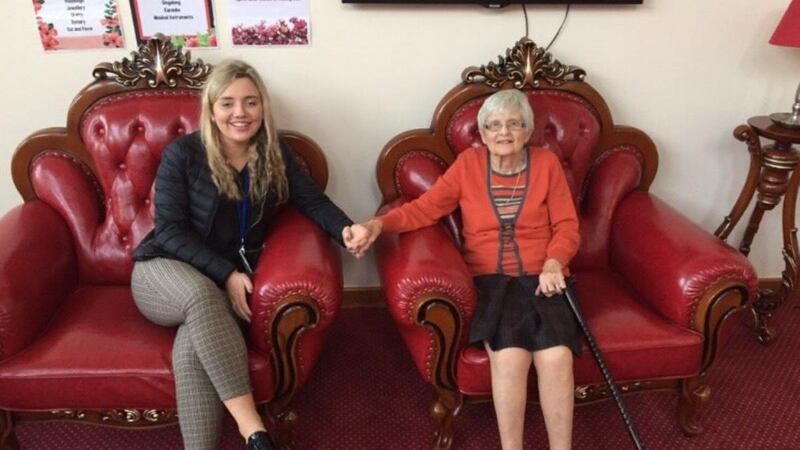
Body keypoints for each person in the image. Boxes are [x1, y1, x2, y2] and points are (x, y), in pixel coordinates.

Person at [131, 59, 365, 450]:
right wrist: (226, 273)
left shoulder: (275, 154)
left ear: (263, 107)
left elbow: (312, 201)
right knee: (201, 296)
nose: (240, 113)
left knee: (192, 344)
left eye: (250, 102)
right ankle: (254, 431)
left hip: (218, 283)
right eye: (227, 103)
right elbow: (169, 231)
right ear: (210, 109)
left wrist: (347, 230)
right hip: (163, 270)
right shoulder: (183, 154)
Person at [347, 89, 581, 450]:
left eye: (514, 124)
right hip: (492, 281)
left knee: (557, 356)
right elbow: (423, 209)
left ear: (528, 130)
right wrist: (376, 225)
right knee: (509, 355)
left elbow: (567, 226)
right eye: (494, 125)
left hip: (544, 277)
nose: (504, 133)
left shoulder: (547, 165)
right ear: (483, 134)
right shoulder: (469, 165)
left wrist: (554, 262)